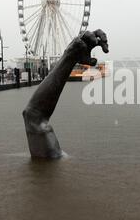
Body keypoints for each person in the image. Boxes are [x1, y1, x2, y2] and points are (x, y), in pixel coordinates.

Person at [23, 29, 109, 159]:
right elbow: (33, 116)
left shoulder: (53, 159)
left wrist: (69, 56)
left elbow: (33, 115)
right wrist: (70, 57)